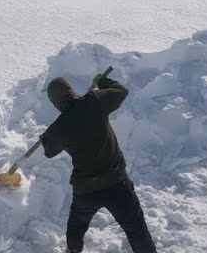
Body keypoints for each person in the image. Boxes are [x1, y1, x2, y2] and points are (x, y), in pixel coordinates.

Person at [41, 72, 157, 253]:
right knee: (136, 229)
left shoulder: (59, 127)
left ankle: (73, 250)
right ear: (71, 91)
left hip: (86, 191)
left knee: (76, 227)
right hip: (117, 185)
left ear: (55, 103)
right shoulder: (93, 102)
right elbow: (121, 91)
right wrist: (102, 81)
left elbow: (49, 151)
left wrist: (45, 138)